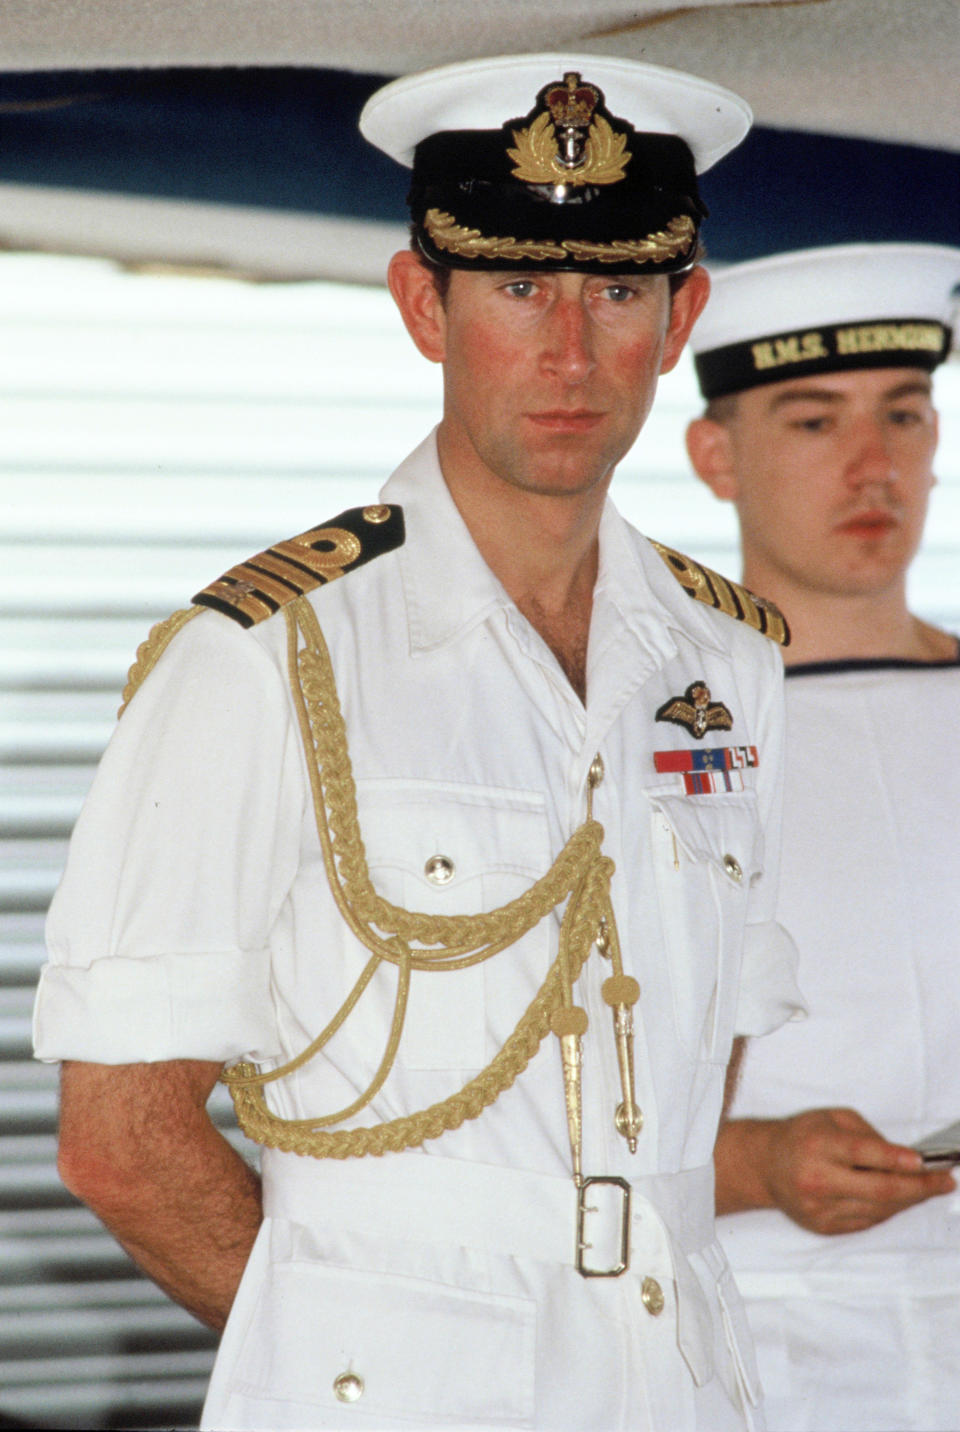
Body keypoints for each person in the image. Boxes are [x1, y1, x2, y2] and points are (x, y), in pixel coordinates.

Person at [33, 54, 804, 1432]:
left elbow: (687, 1077)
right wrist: (346, 1353)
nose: (571, 353)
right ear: (421, 307)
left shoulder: (730, 662)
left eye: (617, 291)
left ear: (681, 315)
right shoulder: (268, 657)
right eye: (518, 288)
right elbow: (123, 1144)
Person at [686, 241, 960, 1432]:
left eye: (904, 415)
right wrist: (754, 1164)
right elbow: (523, 1116)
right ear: (715, 455)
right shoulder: (641, 728)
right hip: (755, 1332)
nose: (873, 465)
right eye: (812, 422)